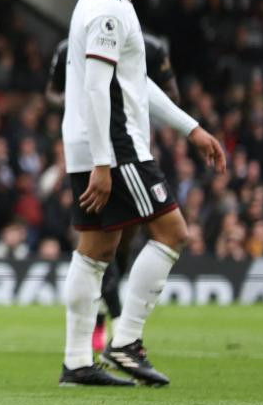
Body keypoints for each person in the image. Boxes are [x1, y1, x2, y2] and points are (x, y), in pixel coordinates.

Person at [58, 0, 225, 387]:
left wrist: (190, 128)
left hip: (91, 142)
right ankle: (126, 343)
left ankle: (76, 361)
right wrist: (105, 161)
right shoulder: (110, 12)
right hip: (117, 144)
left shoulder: (103, 2)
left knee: (96, 249)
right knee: (173, 232)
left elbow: (134, 82)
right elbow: (97, 85)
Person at [47, 31, 180, 352]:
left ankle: (101, 334)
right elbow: (52, 93)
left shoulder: (152, 48)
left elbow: (172, 94)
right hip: (90, 155)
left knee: (118, 246)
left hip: (131, 152)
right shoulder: (69, 49)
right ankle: (116, 328)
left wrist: (133, 98)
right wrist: (74, 98)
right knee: (95, 242)